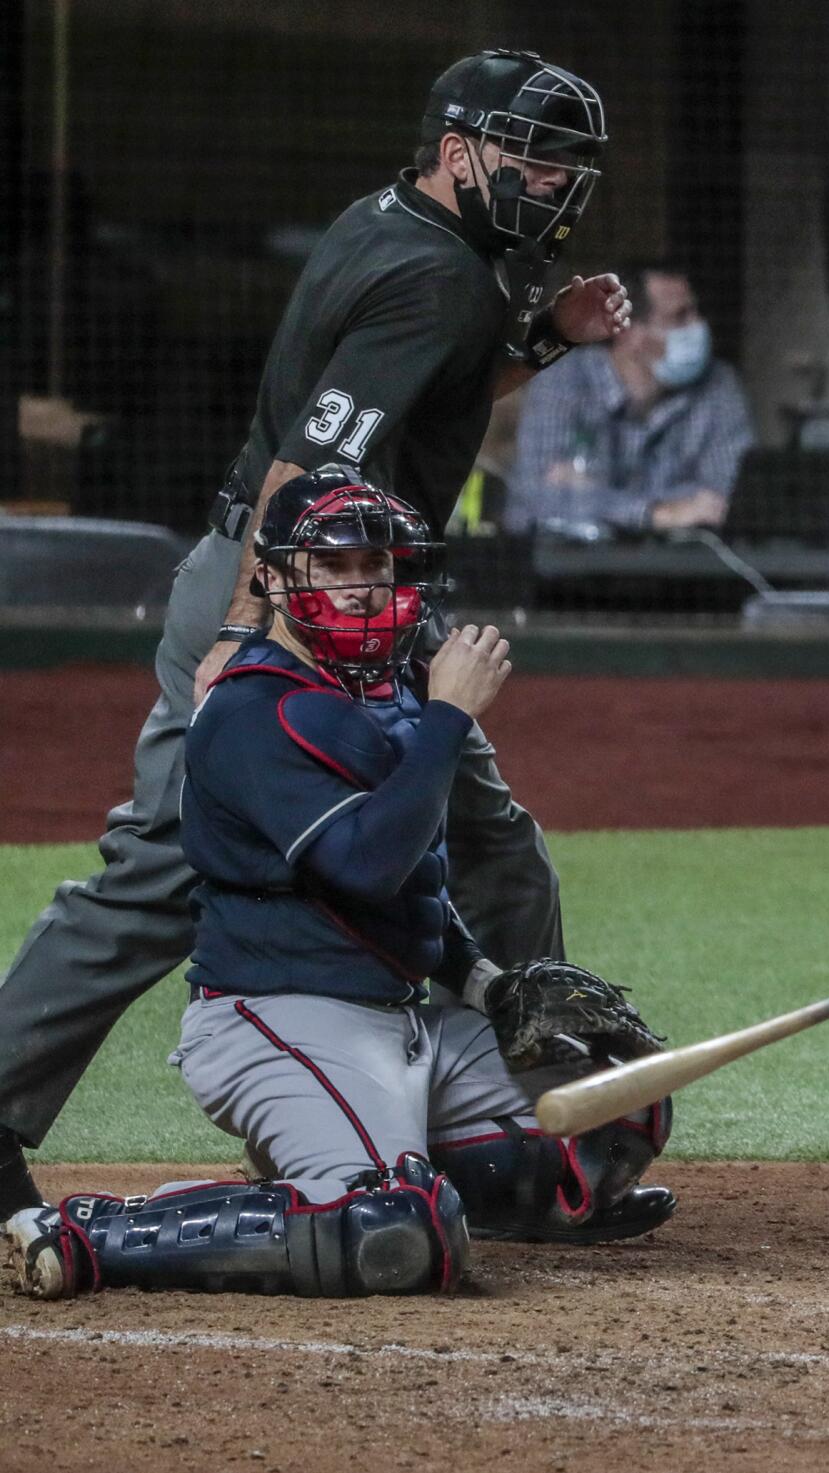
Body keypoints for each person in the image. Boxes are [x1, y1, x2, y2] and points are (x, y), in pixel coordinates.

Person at [0, 49, 633, 1217]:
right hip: (293, 586)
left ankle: (506, 1141)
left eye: (566, 165)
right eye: (532, 157)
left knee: (486, 841)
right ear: (459, 152)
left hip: (342, 589)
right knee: (163, 869)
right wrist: (250, 635)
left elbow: (421, 390)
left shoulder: (404, 225)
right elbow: (310, 459)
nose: (553, 183)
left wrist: (545, 339)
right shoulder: (438, 275)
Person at [1, 472, 672, 1300]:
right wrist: (450, 717)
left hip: (401, 1025)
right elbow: (365, 864)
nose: (362, 586)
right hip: (279, 1018)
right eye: (334, 563)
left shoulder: (381, 688)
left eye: (377, 565)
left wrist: (488, 983)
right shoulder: (254, 711)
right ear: (275, 579)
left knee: (615, 1104)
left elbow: (416, 888)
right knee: (390, 1228)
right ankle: (99, 1233)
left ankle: (418, 1177)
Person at [507, 260, 755, 536]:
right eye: (680, 316)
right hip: (564, 570)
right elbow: (542, 497)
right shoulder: (563, 378)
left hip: (676, 570)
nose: (699, 325)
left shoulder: (718, 383)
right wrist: (655, 513)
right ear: (628, 330)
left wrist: (592, 494)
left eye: (696, 311)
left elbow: (724, 501)